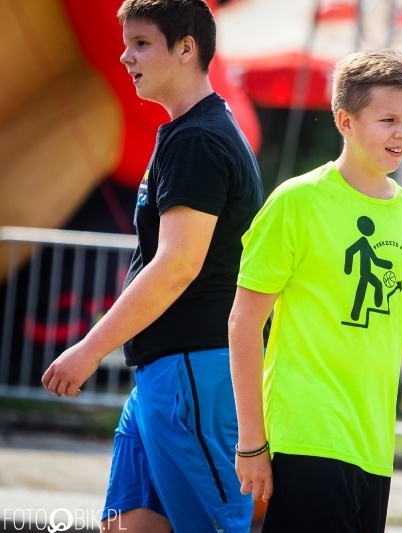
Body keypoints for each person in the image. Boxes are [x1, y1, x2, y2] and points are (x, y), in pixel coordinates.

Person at [41, 1, 264, 531]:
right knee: (127, 523)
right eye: (127, 44)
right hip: (167, 374)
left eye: (140, 44)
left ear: (186, 49)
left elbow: (176, 266)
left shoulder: (199, 137)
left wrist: (89, 350)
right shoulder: (189, 130)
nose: (125, 57)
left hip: (193, 371)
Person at [229, 48, 402, 532]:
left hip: (373, 449)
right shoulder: (297, 201)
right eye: (388, 119)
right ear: (345, 121)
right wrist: (251, 442)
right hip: (306, 436)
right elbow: (244, 323)